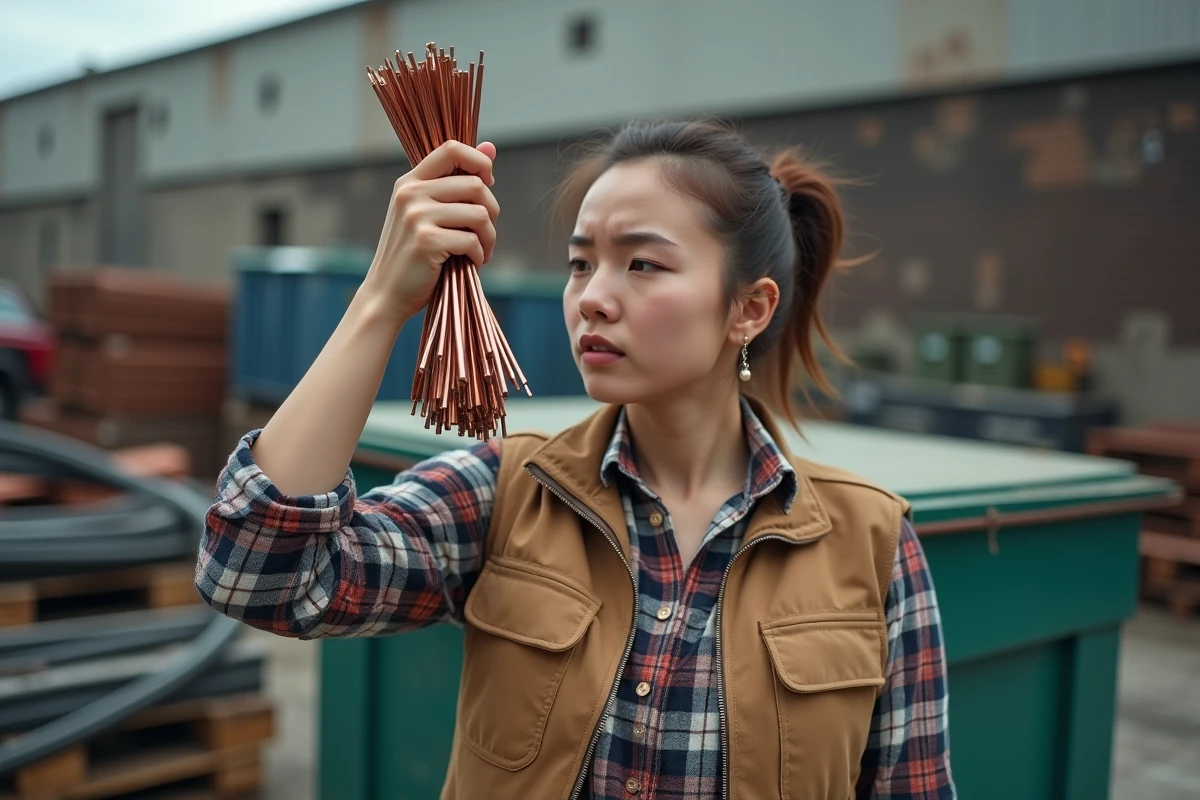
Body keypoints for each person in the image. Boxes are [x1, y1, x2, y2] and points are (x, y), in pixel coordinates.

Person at [196, 119, 955, 799]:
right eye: (581, 263)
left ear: (747, 309)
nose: (592, 296)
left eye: (643, 265)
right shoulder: (511, 492)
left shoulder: (872, 543)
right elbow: (260, 576)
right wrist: (381, 302)